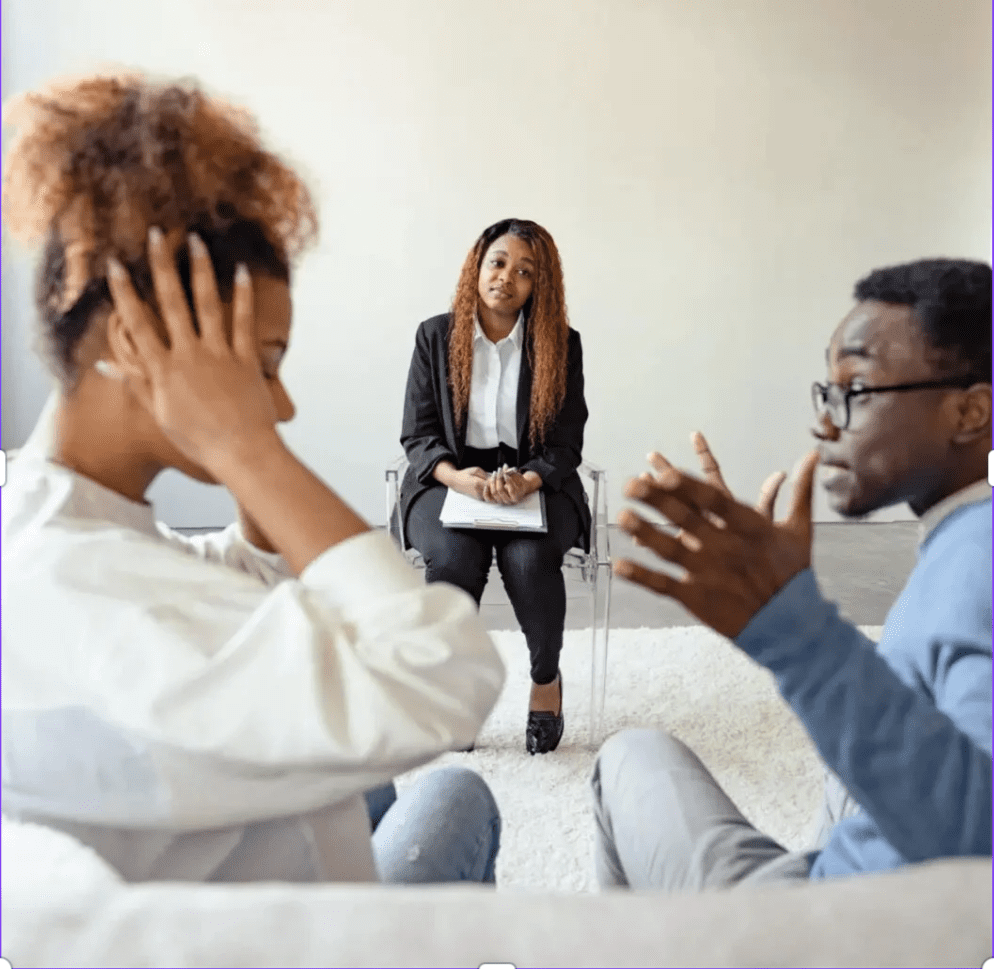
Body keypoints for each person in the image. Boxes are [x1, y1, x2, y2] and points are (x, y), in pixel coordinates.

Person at [0, 71, 505, 887]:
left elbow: (236, 598)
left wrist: (246, 449)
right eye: (262, 368)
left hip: (217, 814)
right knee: (455, 794)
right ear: (136, 339)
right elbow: (443, 673)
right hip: (302, 937)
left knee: (394, 790)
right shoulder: (85, 595)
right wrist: (245, 446)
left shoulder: (55, 522)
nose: (282, 404)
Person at [594, 258, 991, 888]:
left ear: (969, 414)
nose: (825, 422)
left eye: (855, 391)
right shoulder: (961, 536)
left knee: (625, 756)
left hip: (827, 935)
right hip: (845, 876)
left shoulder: (981, 559)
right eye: (826, 393)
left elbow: (979, 842)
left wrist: (795, 631)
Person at [399, 218, 591, 754]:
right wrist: (458, 478)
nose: (507, 277)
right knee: (454, 557)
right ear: (477, 268)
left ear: (540, 285)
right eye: (498, 263)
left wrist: (529, 478)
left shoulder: (562, 345)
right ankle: (454, 693)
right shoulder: (435, 336)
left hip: (535, 478)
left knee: (529, 562)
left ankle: (545, 681)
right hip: (448, 477)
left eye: (524, 271)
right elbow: (418, 435)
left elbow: (566, 442)